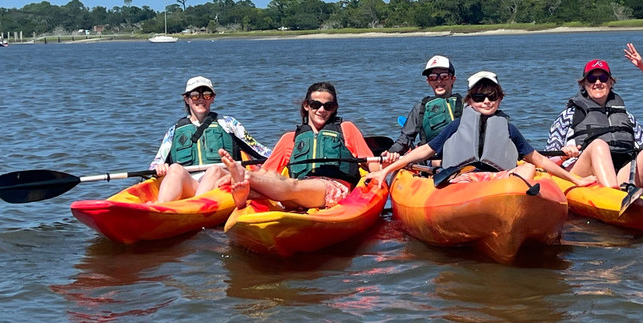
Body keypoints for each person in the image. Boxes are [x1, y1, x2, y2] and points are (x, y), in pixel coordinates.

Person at [362, 71, 594, 188]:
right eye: (479, 97)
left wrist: (575, 180)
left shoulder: (509, 129)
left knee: (529, 168)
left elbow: (539, 160)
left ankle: (517, 201)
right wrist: (386, 171)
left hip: (498, 180)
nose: (486, 102)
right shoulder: (456, 126)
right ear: (470, 101)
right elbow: (423, 151)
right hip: (464, 178)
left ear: (500, 99)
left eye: (492, 96)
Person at [220, 82, 382, 210]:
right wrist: (250, 177)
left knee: (291, 185)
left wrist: (383, 173)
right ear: (306, 105)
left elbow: (372, 164)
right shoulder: (290, 139)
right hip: (299, 191)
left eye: (328, 106)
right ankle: (245, 189)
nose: (321, 110)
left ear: (334, 109)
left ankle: (246, 182)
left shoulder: (346, 129)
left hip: (333, 190)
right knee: (276, 178)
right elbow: (266, 173)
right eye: (315, 104)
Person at [150, 75, 271, 203]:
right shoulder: (174, 131)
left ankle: (196, 207)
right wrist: (159, 167)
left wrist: (279, 160)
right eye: (195, 95)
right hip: (191, 185)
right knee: (175, 168)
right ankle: (160, 208)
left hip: (221, 183)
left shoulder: (229, 124)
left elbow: (259, 150)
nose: (201, 99)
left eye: (207, 95)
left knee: (214, 170)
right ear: (186, 99)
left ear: (212, 98)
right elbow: (155, 164)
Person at [544, 59, 643, 190]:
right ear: (584, 84)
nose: (598, 83)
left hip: (621, 173)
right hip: (583, 175)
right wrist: (562, 156)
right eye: (592, 79)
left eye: (603, 78)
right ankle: (613, 195)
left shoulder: (628, 117)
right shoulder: (568, 116)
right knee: (598, 145)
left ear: (610, 82)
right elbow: (546, 162)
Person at [388, 55, 463, 154]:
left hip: (461, 157)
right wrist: (390, 153)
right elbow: (404, 140)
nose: (439, 81)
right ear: (428, 81)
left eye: (444, 76)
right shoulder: (420, 109)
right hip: (431, 158)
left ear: (453, 79)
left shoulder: (466, 105)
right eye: (433, 77)